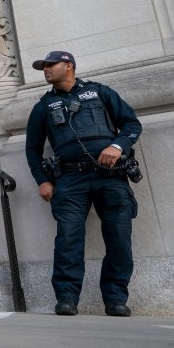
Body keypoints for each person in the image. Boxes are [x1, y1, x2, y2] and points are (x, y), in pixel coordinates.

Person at [25, 50, 142, 317]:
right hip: (69, 180)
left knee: (119, 238)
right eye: (43, 67)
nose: (45, 70)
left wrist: (117, 146)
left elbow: (131, 124)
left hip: (110, 177)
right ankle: (66, 298)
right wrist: (43, 181)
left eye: (49, 65)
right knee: (68, 239)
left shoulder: (100, 92)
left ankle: (115, 298)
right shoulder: (43, 106)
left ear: (68, 66)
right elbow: (32, 150)